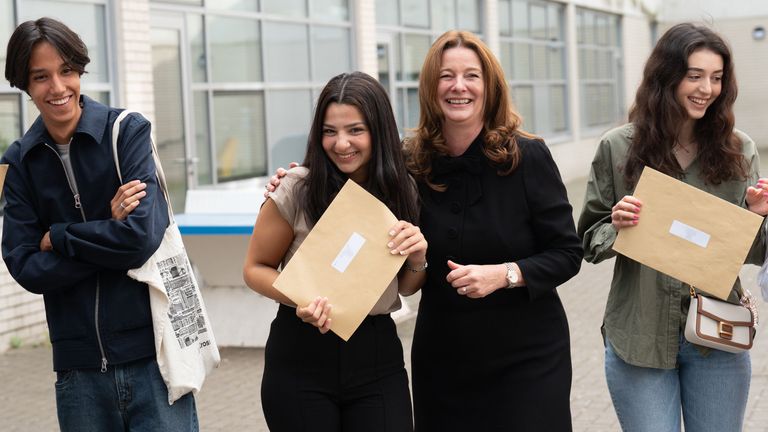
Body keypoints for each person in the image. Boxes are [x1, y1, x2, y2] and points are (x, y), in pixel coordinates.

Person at [1, 18, 198, 431]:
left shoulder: (126, 132)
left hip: (154, 360)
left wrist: (60, 236)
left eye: (67, 71)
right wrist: (110, 237)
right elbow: (25, 267)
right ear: (24, 83)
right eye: (41, 77)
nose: (58, 88)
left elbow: (141, 238)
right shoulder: (19, 163)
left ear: (80, 72)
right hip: (78, 373)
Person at [578, 22, 768, 432]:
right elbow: (588, 242)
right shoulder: (618, 147)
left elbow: (753, 254)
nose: (707, 88)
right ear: (666, 77)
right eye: (694, 75)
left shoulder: (740, 150)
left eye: (716, 78)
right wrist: (618, 225)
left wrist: (754, 215)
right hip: (638, 337)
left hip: (717, 336)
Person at [402, 30, 582, 431]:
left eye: (471, 75)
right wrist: (293, 183)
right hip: (443, 358)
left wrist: (505, 274)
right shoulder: (410, 162)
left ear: (490, 86)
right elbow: (352, 186)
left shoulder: (528, 156)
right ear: (432, 87)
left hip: (527, 358)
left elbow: (568, 253)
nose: (458, 86)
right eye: (446, 76)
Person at [243, 71, 427, 431]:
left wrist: (418, 257)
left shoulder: (402, 189)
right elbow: (255, 267)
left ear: (379, 130)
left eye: (355, 130)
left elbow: (405, 287)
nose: (341, 143)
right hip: (301, 355)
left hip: (376, 355)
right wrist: (301, 298)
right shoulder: (297, 187)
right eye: (329, 131)